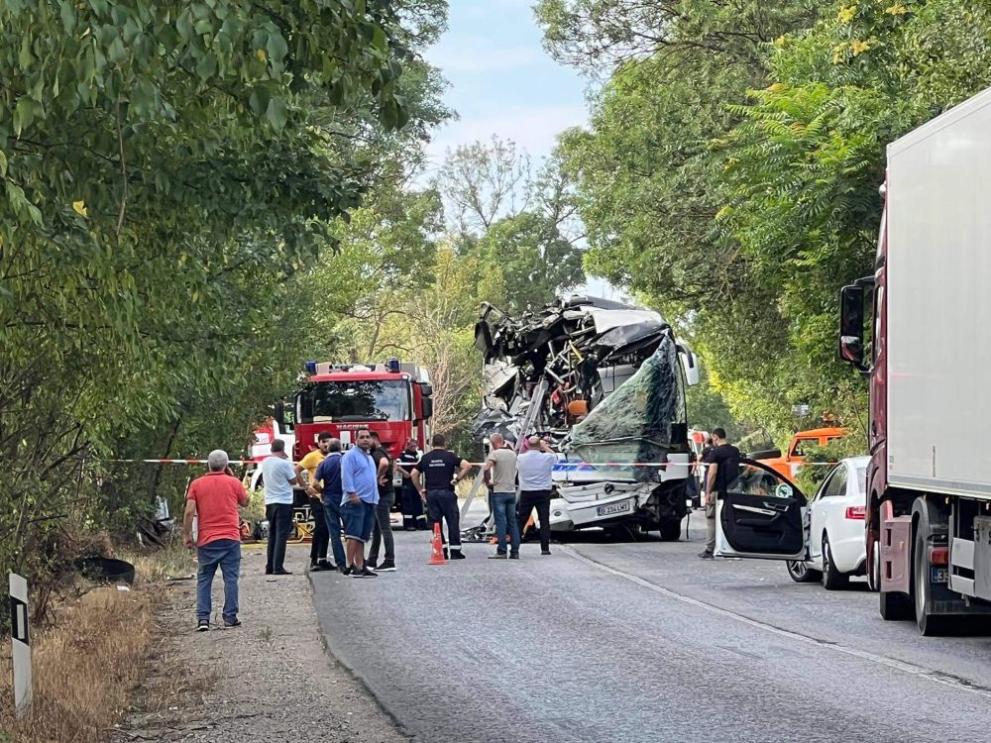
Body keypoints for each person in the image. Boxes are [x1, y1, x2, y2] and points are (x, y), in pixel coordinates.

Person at [183, 450, 249, 631]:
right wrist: (233, 478)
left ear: (208, 465)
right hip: (230, 538)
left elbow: (189, 512)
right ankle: (230, 617)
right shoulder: (233, 483)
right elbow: (246, 502)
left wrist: (187, 535)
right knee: (231, 578)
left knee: (204, 578)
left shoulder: (197, 484)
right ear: (226, 465)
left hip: (206, 540)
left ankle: (203, 619)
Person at [412, 433, 471, 560]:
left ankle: (441, 550)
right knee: (452, 522)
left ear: (432, 444)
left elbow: (413, 474)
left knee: (435, 524)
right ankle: (455, 552)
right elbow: (467, 466)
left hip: (432, 494)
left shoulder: (426, 458)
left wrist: (420, 489)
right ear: (444, 443)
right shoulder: (450, 456)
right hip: (447, 493)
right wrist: (457, 479)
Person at [341, 429, 379, 578]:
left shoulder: (368, 457)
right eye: (362, 437)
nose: (365, 440)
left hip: (369, 501)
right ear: (356, 440)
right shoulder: (350, 456)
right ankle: (349, 565)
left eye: (367, 437)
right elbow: (346, 475)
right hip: (356, 500)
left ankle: (360, 565)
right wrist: (352, 493)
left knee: (362, 537)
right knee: (353, 535)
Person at [699, 427, 741, 560]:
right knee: (729, 519)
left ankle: (709, 549)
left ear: (716, 437)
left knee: (711, 519)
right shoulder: (735, 451)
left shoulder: (716, 453)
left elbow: (712, 473)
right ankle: (732, 548)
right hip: (732, 490)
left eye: (714, 439)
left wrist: (707, 492)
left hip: (717, 491)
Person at [297, 432, 334, 572]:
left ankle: (323, 559)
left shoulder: (332, 456)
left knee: (327, 529)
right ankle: (314, 559)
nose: (326, 444)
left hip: (329, 497)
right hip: (316, 497)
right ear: (318, 443)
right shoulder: (313, 456)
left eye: (328, 441)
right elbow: (297, 469)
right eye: (323, 441)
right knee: (320, 527)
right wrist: (306, 487)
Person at [262, 438, 299, 575]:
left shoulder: (265, 462)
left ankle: (269, 565)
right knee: (281, 535)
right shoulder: (285, 464)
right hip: (283, 501)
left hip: (270, 501)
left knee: (272, 534)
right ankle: (278, 566)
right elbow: (293, 480)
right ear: (283, 449)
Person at [516, 435, 557, 555]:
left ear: (527, 445)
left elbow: (518, 458)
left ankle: (515, 547)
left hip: (527, 492)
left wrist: (526, 447)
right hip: (543, 491)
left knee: (521, 520)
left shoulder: (520, 458)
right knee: (544, 520)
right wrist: (544, 446)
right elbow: (555, 456)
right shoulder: (547, 457)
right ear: (540, 445)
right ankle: (545, 548)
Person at [314, 439, 349, 574]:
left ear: (328, 449)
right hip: (345, 499)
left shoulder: (323, 464)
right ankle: (355, 560)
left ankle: (341, 564)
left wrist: (323, 492)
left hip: (329, 499)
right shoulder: (345, 461)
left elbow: (315, 484)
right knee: (350, 532)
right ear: (340, 448)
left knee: (334, 534)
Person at [484, 433, 520, 559]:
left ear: (493, 443)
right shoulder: (513, 454)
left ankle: (502, 550)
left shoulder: (495, 454)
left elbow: (486, 468)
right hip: (511, 491)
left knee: (501, 522)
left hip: (499, 491)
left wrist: (488, 482)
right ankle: (515, 551)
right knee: (513, 522)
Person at [367, 432, 397, 572]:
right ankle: (372, 559)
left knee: (384, 528)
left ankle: (389, 560)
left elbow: (384, 463)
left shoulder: (378, 453)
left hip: (382, 496)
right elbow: (393, 465)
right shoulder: (384, 452)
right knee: (377, 529)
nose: (366, 442)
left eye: (368, 438)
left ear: (375, 439)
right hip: (386, 494)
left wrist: (377, 477)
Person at [397, 439, 427, 530]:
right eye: (411, 446)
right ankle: (409, 524)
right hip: (407, 482)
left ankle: (421, 524)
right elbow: (397, 465)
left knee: (418, 503)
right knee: (408, 503)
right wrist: (405, 473)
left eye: (415, 446)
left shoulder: (418, 455)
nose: (413, 447)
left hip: (416, 481)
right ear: (408, 445)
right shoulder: (403, 454)